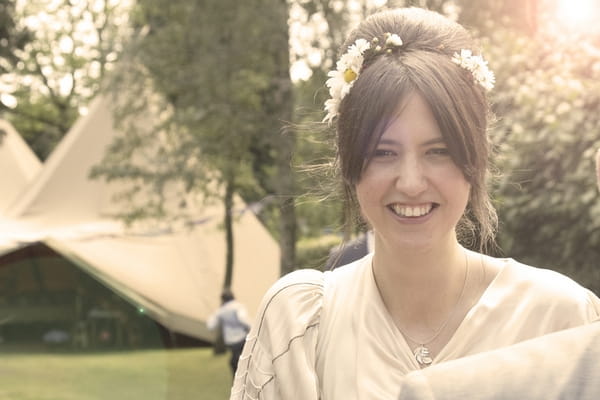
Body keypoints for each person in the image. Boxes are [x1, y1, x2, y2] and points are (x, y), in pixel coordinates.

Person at [230, 7, 600, 399]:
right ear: (349, 160)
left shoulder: (560, 317)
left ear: (475, 156)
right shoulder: (302, 325)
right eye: (382, 153)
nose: (410, 183)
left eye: (438, 151)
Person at [207, 289, 251, 376]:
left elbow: (211, 325)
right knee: (242, 358)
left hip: (230, 340)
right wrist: (251, 327)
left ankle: (237, 376)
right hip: (241, 337)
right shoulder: (238, 306)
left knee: (236, 358)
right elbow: (243, 319)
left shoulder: (221, 310)